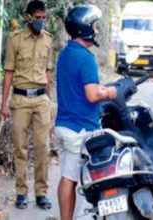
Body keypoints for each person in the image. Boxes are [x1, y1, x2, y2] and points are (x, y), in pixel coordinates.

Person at [55, 5, 117, 220]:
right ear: (84, 29)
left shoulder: (66, 53)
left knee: (67, 177)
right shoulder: (85, 57)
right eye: (93, 25)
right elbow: (92, 94)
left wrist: (103, 90)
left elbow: (78, 88)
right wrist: (109, 92)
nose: (96, 30)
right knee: (82, 178)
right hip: (79, 129)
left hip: (63, 125)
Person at [0, 0, 53, 210]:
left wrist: (49, 101)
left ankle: (41, 192)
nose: (41, 21)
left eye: (43, 18)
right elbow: (9, 73)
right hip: (20, 99)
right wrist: (4, 104)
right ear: (28, 17)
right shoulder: (14, 40)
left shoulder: (48, 40)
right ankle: (21, 192)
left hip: (41, 100)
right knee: (20, 148)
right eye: (37, 18)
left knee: (42, 147)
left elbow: (48, 72)